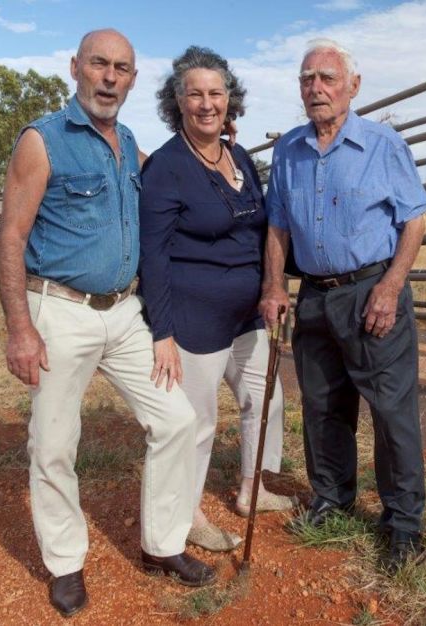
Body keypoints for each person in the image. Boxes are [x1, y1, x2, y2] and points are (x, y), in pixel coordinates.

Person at [0, 29, 215, 618]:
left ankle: (162, 545)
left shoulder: (131, 142)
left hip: (124, 312)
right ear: (76, 68)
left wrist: (216, 147)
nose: (110, 77)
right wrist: (21, 328)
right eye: (99, 64)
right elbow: (11, 237)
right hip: (60, 310)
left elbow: (173, 177)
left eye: (122, 68)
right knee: (55, 443)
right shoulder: (43, 142)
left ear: (134, 80)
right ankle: (65, 563)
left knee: (175, 418)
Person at [258, 38, 426, 572]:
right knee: (323, 406)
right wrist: (273, 286)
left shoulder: (382, 145)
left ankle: (403, 523)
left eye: (327, 78)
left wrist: (391, 286)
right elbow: (277, 226)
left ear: (352, 87)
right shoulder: (288, 149)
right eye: (307, 79)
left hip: (371, 291)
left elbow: (414, 220)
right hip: (314, 295)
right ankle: (332, 499)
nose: (316, 88)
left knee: (390, 410)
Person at [138, 46, 293, 553]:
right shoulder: (166, 167)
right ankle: (187, 516)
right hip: (194, 317)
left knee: (265, 400)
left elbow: (260, 222)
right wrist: (162, 330)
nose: (207, 103)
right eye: (195, 94)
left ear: (230, 100)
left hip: (247, 313)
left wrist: (272, 284)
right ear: (177, 102)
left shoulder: (238, 155)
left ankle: (252, 487)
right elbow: (154, 256)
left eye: (216, 93)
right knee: (198, 422)